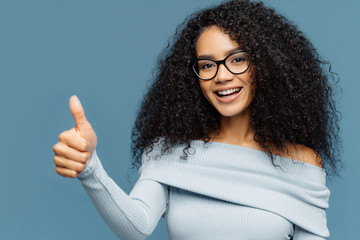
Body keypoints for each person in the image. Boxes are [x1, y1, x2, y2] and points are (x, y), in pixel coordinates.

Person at [53, 0, 341, 239]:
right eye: (207, 65)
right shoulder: (169, 151)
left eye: (237, 59)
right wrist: (89, 167)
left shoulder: (302, 163)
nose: (222, 75)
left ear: (266, 65)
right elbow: (136, 227)